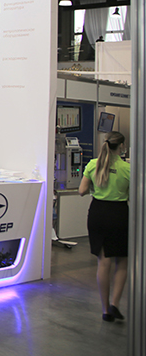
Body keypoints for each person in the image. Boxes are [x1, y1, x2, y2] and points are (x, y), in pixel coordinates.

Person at [79, 131, 129, 322]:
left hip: (98, 212)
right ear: (121, 146)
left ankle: (105, 310)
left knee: (103, 261)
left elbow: (82, 190)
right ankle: (115, 303)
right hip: (119, 214)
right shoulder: (128, 168)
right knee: (121, 261)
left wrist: (96, 188)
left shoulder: (94, 164)